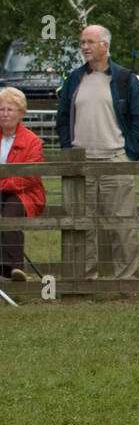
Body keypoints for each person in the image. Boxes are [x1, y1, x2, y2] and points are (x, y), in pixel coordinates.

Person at [55, 24, 139, 280]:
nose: (84, 47)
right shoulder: (74, 79)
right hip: (81, 163)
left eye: (89, 42)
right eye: (82, 42)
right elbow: (62, 118)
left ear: (105, 45)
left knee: (122, 224)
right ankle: (84, 279)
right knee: (81, 225)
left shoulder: (124, 79)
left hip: (115, 161)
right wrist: (69, 149)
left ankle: (127, 280)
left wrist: (127, 154)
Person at [0, 87, 44, 281]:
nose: (4, 114)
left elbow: (30, 177)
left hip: (25, 194)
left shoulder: (32, 141)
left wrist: (3, 184)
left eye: (10, 109)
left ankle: (13, 268)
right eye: (1, 109)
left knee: (10, 212)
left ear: (21, 113)